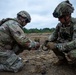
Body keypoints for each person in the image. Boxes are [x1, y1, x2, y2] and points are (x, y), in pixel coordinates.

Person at [43, 0, 76, 65]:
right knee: (51, 44)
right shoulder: (60, 25)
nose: (58, 19)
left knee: (72, 54)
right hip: (65, 45)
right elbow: (54, 35)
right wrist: (47, 41)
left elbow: (75, 43)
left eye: (60, 17)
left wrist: (57, 46)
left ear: (67, 16)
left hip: (73, 47)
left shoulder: (75, 24)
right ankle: (63, 60)